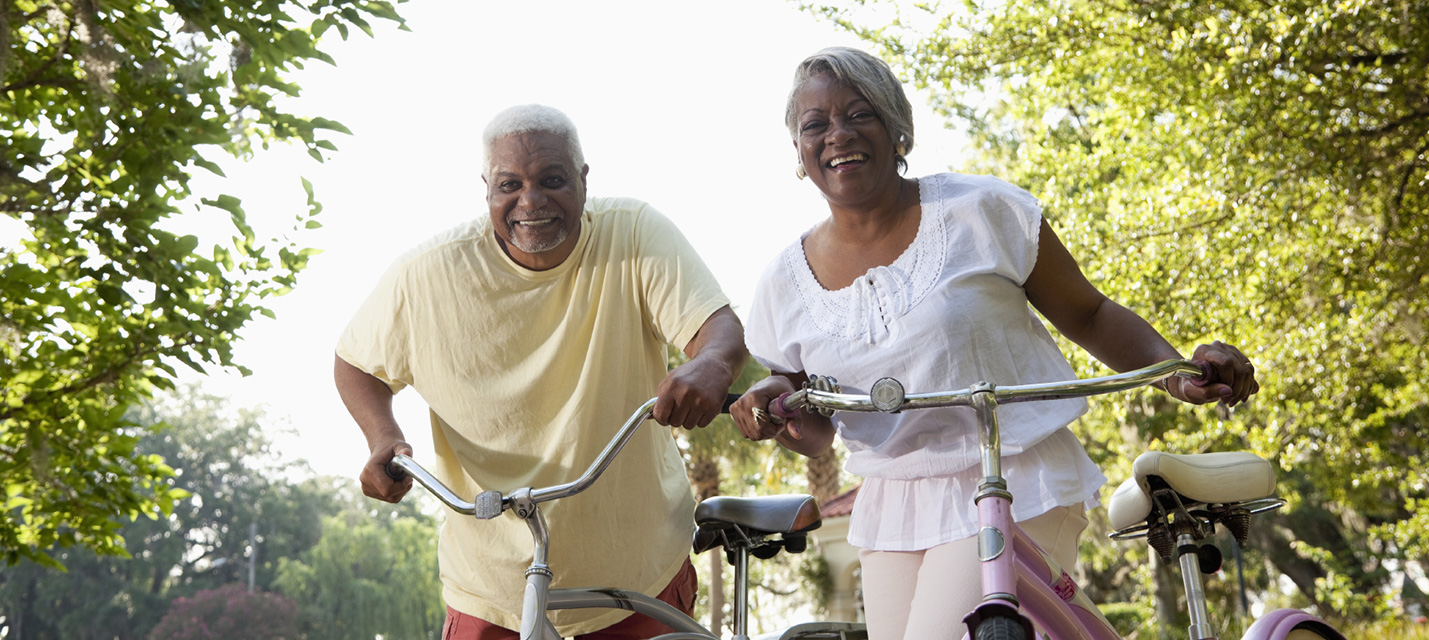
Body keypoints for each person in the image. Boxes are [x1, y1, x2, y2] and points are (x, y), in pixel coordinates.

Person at [728, 47, 1260, 640]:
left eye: (860, 114)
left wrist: (1175, 372)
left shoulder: (979, 211)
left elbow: (1089, 313)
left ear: (897, 127)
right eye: (815, 125)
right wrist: (775, 408)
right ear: (798, 151)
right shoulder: (783, 284)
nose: (838, 135)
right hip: (892, 504)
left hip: (1012, 472)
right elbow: (815, 422)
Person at [335, 104, 747, 640]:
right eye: (510, 184)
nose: (531, 201)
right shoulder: (426, 275)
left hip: (636, 570)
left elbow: (718, 329)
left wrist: (711, 364)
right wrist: (383, 437)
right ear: (486, 187)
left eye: (552, 180)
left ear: (582, 179)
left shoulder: (634, 233)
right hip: (492, 585)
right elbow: (356, 362)